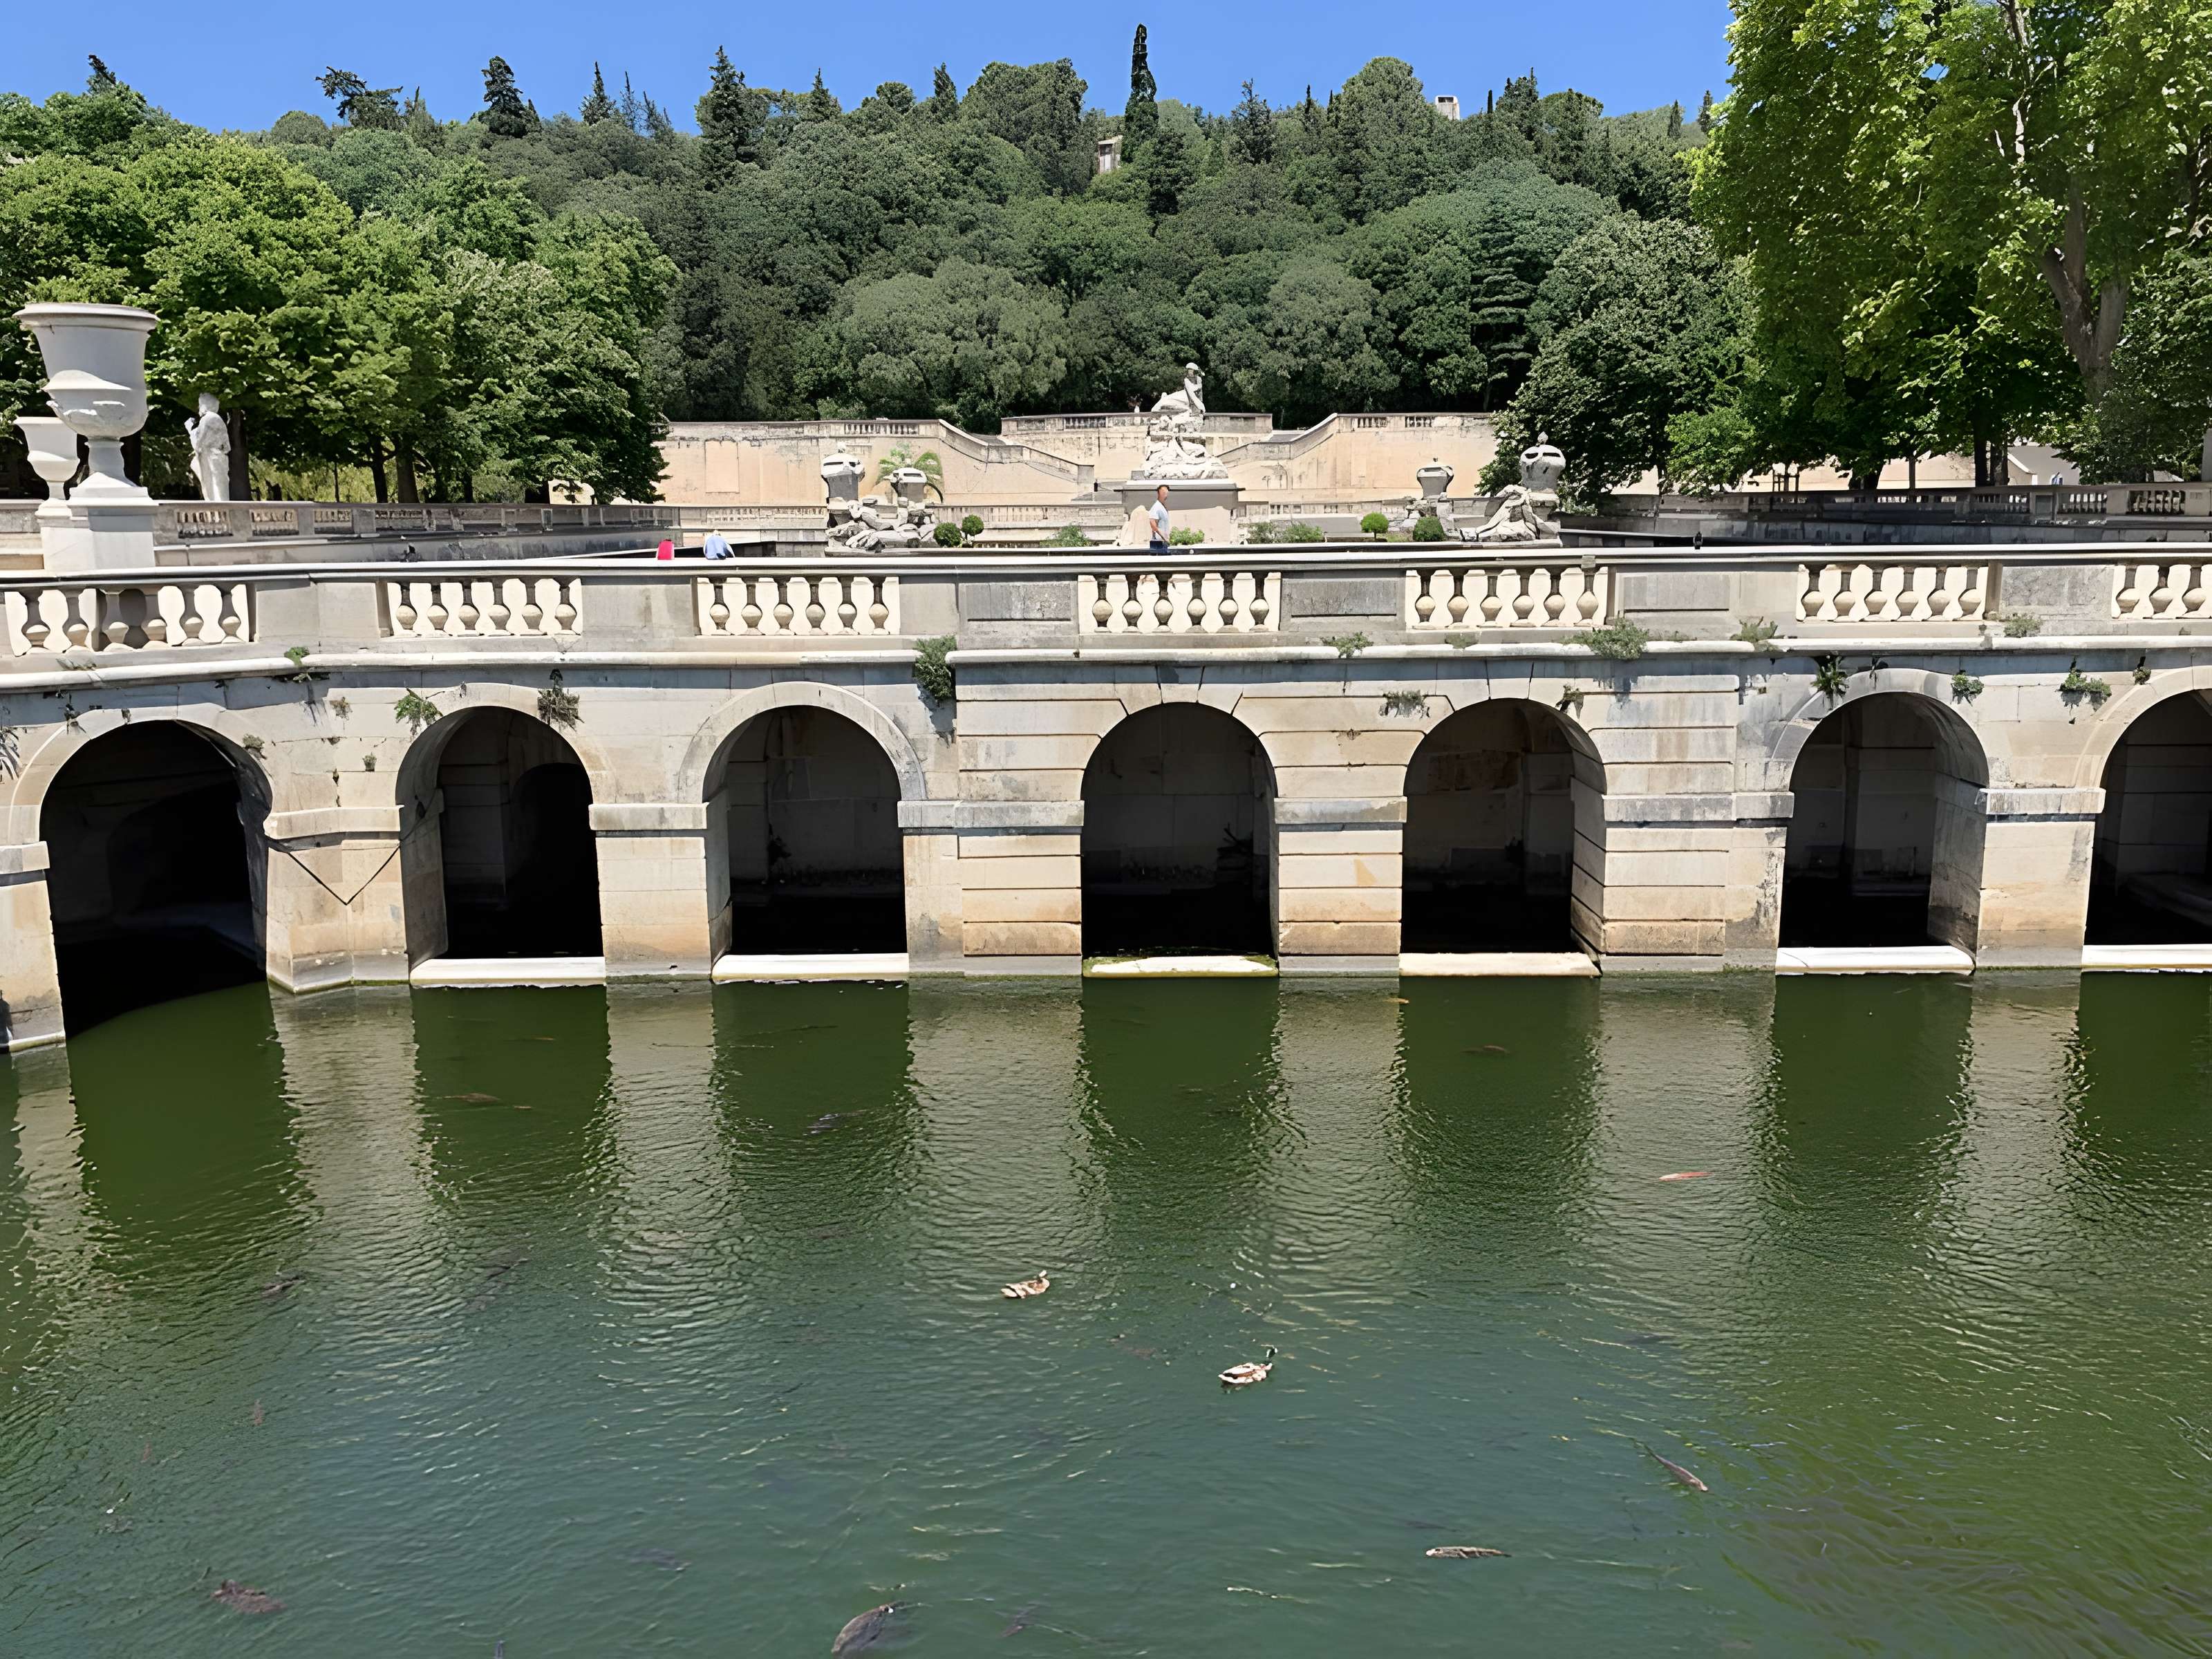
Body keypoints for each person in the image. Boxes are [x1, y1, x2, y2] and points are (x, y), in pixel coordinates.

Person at [1147, 485, 1170, 549]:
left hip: (1165, 542)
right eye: (1163, 492)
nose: (1165, 494)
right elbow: (1153, 524)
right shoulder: (1156, 507)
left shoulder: (1162, 506)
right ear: (1158, 493)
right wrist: (1164, 537)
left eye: (1166, 492)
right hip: (1159, 543)